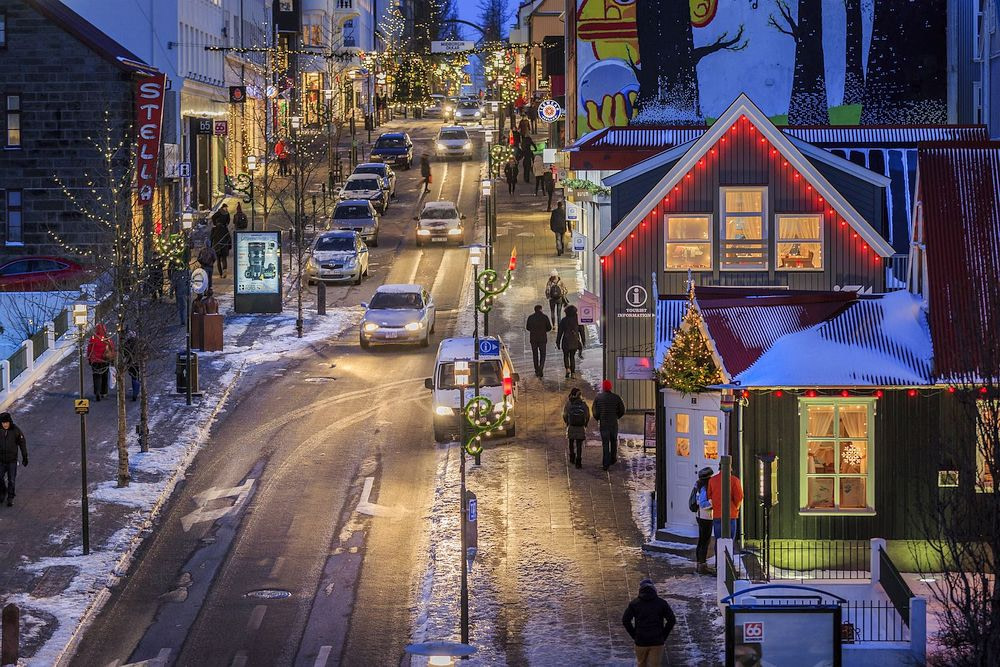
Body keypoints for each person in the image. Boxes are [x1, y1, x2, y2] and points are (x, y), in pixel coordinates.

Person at [622, 578, 677, 667]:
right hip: (657, 641)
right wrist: (663, 635)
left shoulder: (634, 603)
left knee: (641, 664)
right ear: (654, 590)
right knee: (655, 665)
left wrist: (634, 635)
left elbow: (625, 620)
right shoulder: (661, 603)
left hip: (641, 641)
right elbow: (672, 620)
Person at [592, 379, 625, 470]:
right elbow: (622, 410)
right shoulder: (616, 397)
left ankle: (605, 464)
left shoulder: (598, 398)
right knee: (613, 441)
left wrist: (598, 418)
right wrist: (617, 416)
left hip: (604, 423)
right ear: (610, 387)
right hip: (613, 423)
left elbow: (595, 411)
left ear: (603, 387)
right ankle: (613, 459)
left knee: (605, 443)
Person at [707, 465, 745, 539]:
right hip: (731, 514)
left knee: (718, 540)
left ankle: (718, 551)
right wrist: (736, 507)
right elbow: (739, 497)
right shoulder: (734, 480)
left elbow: (709, 496)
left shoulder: (712, 480)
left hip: (717, 514)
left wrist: (714, 506)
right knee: (729, 541)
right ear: (730, 468)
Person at [0, 412, 28, 508]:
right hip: (1, 461)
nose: (5, 424)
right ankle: (3, 491)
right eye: (3, 423)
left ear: (10, 422)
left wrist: (25, 457)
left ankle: (10, 497)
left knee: (12, 480)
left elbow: (22, 443)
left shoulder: (15, 430)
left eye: (6, 422)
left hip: (12, 461)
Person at [692, 466, 715, 575]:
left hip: (700, 516)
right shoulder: (704, 488)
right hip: (705, 517)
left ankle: (699, 564)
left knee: (702, 540)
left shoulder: (698, 485)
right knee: (705, 541)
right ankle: (702, 565)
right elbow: (702, 503)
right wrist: (713, 503)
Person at [562, 388, 590, 468]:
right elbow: (587, 415)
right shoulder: (583, 404)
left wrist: (567, 423)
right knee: (579, 445)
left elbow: (564, 415)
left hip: (571, 426)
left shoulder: (568, 403)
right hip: (580, 427)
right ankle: (578, 461)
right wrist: (585, 424)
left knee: (571, 442)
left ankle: (572, 457)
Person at [86, 323, 115, 401]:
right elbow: (112, 349)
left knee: (96, 376)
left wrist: (89, 359)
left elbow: (89, 350)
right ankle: (104, 392)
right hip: (104, 360)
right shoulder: (107, 339)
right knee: (104, 376)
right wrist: (112, 359)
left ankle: (97, 392)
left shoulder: (93, 338)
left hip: (95, 360)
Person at [556, 304, 585, 379]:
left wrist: (558, 342)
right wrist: (583, 342)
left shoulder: (563, 320)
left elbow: (560, 333)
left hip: (565, 340)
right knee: (572, 357)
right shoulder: (578, 320)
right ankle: (573, 373)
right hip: (574, 341)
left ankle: (567, 369)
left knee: (566, 356)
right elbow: (582, 332)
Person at [525, 304, 552, 377]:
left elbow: (527, 327)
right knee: (543, 354)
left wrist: (533, 330)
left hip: (533, 338)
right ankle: (541, 368)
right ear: (541, 309)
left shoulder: (531, 317)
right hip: (542, 338)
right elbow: (549, 328)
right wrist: (543, 330)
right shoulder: (545, 317)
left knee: (535, 354)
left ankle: (536, 369)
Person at [210, 204, 232, 278]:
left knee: (218, 260)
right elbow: (228, 237)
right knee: (224, 259)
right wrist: (230, 245)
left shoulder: (214, 229)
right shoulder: (225, 229)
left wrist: (210, 246)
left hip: (217, 247)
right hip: (224, 246)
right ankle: (224, 271)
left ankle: (220, 274)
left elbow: (211, 238)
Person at [121, 329, 141, 402]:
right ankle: (136, 392)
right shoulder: (138, 343)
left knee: (133, 377)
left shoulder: (127, 344)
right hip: (138, 362)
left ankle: (135, 392)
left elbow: (125, 353)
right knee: (137, 377)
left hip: (130, 363)